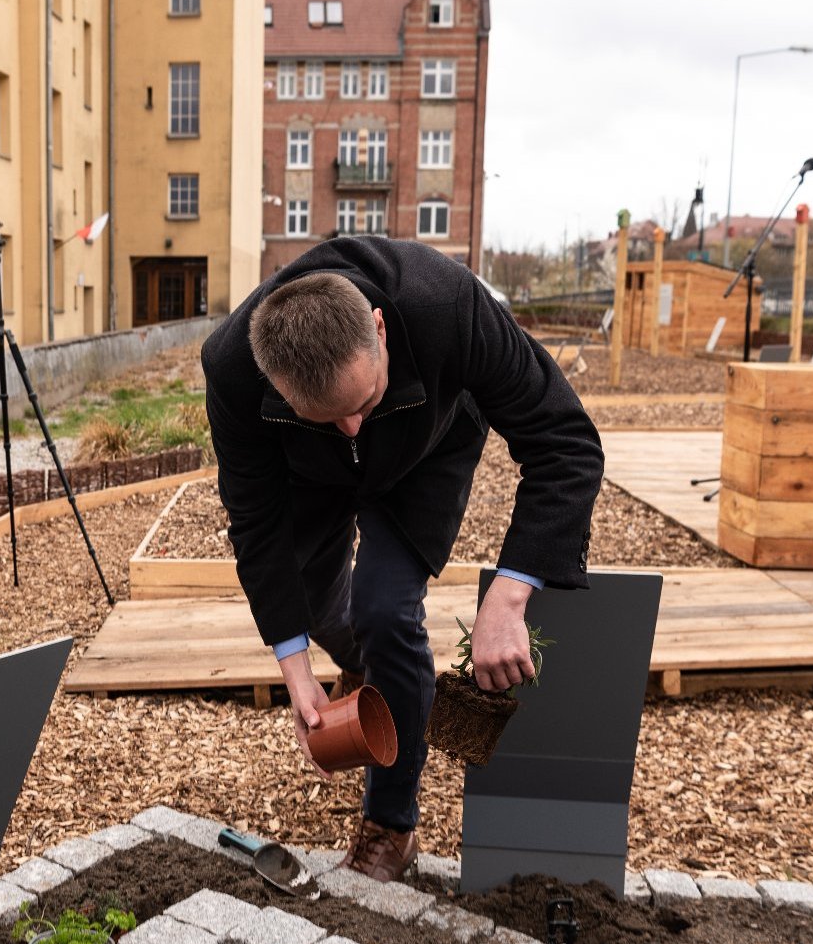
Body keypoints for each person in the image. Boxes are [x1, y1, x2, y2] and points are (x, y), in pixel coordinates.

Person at [201, 236, 603, 883]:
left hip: (427, 449)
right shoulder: (231, 365)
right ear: (272, 381)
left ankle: (391, 821)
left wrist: (509, 593)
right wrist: (296, 673)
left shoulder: (445, 303)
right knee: (321, 613)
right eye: (330, 416)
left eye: (362, 403)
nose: (354, 427)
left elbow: (564, 441)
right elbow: (256, 522)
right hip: (308, 474)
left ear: (380, 328)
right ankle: (372, 669)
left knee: (386, 610)